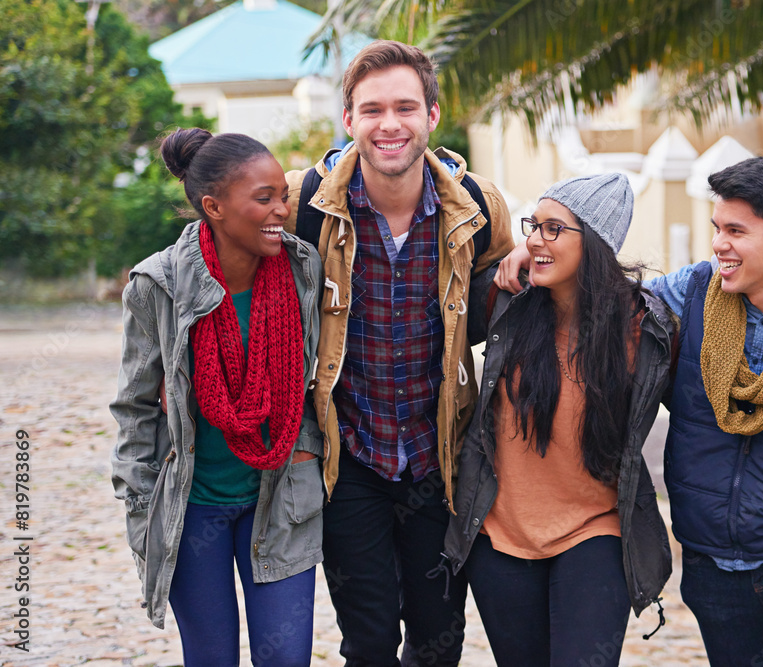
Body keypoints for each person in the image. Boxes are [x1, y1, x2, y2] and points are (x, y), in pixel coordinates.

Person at [496, 156, 763, 666]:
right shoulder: (690, 296)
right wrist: (539, 250)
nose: (719, 243)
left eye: (736, 231)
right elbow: (609, 299)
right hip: (712, 562)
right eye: (718, 228)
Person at [281, 40, 514, 666]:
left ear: (432, 116)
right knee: (370, 639)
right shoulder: (306, 204)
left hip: (439, 453)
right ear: (350, 121)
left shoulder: (480, 209)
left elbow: (507, 312)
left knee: (440, 640)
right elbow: (229, 263)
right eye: (372, 109)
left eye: (405, 107)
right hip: (347, 452)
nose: (390, 124)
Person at [110, 128, 325, 666]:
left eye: (283, 196)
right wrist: (141, 505)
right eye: (264, 199)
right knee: (211, 659)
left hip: (279, 500)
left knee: (287, 658)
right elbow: (135, 407)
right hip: (191, 507)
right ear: (214, 207)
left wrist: (307, 449)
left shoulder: (303, 270)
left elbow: (322, 376)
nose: (281, 210)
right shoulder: (158, 284)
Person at [443, 173, 676, 666]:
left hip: (595, 531)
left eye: (553, 229)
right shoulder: (506, 300)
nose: (534, 240)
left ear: (593, 242)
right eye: (534, 226)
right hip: (500, 536)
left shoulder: (644, 328)